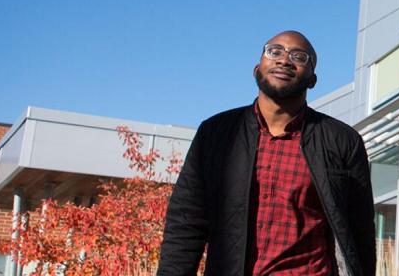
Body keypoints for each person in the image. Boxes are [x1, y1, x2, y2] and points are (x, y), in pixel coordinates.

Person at [158, 31, 375, 276]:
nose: (284, 60)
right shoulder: (215, 134)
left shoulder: (342, 141)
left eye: (299, 57)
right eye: (274, 51)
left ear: (312, 80)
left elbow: (360, 234)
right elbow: (186, 222)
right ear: (256, 69)